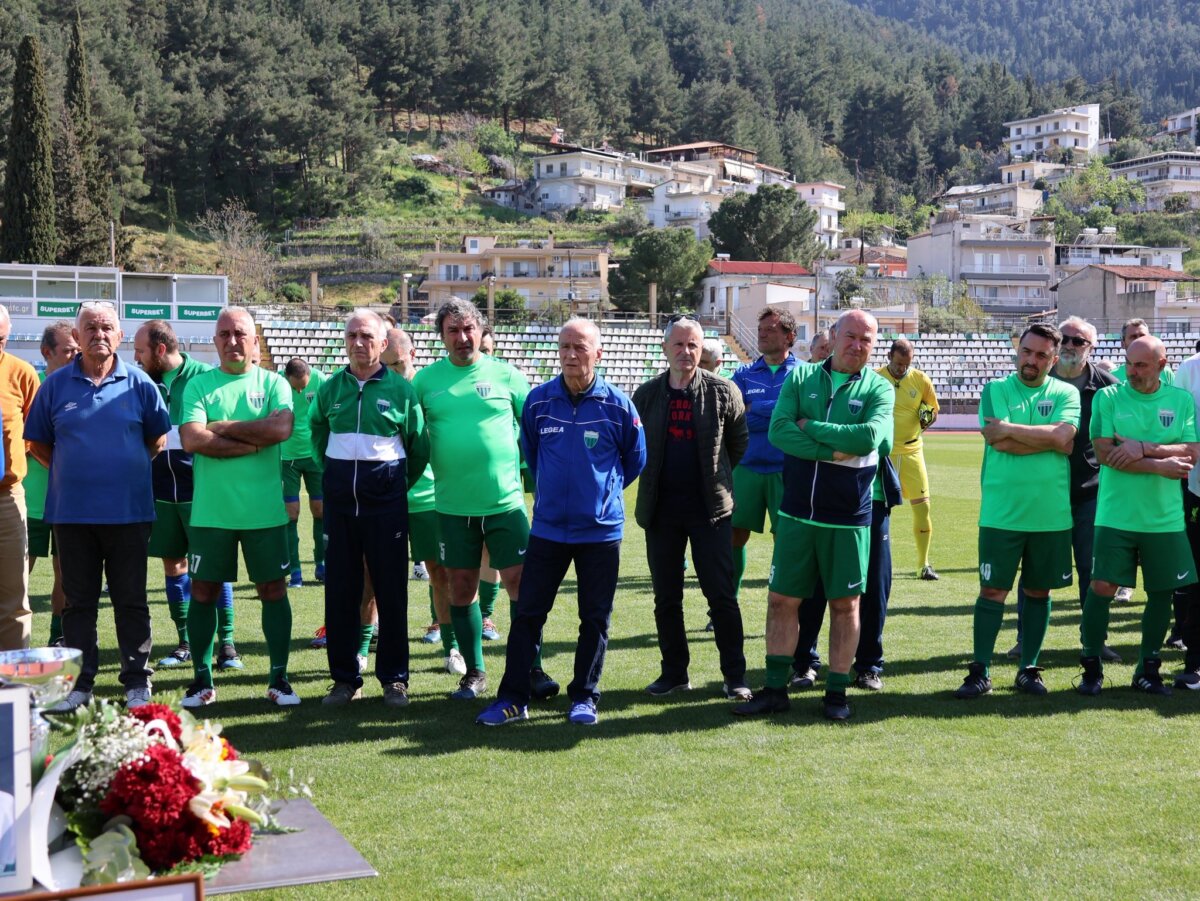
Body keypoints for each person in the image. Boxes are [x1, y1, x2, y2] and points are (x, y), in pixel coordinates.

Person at [476, 318, 646, 726]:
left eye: (580, 347)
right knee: (528, 615)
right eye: (565, 346)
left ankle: (584, 697)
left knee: (595, 618)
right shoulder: (538, 402)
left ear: (598, 354)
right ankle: (513, 699)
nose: (571, 355)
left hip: (600, 532)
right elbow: (532, 455)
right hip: (548, 529)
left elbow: (634, 460)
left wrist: (600, 495)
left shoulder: (619, 406)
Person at [733, 309, 893, 721]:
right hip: (797, 512)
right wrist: (833, 450)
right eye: (850, 336)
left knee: (845, 605)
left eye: (866, 339)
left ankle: (836, 693)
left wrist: (811, 427)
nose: (857, 345)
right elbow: (779, 431)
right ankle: (774, 689)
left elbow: (868, 437)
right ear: (834, 336)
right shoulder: (802, 377)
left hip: (848, 517)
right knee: (781, 600)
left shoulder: (879, 387)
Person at [27, 302, 170, 711]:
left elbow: (157, 441)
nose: (99, 334)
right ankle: (80, 685)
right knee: (77, 603)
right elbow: (38, 444)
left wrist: (118, 471)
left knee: (131, 601)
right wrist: (76, 473)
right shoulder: (54, 386)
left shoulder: (141, 384)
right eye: (90, 327)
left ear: (120, 335)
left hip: (129, 513)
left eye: (107, 327)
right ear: (77, 336)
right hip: (72, 515)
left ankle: (137, 682)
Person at [412, 297, 557, 700]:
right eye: (453, 331)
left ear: (481, 331)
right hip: (451, 507)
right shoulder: (424, 382)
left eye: (468, 329)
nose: (463, 337)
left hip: (505, 504)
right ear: (442, 337)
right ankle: (474, 672)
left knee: (520, 584)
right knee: (461, 587)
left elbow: (536, 431)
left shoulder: (507, 375)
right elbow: (411, 438)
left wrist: (539, 482)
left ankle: (531, 668)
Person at [179, 307, 299, 708]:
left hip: (264, 512)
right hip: (211, 513)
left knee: (273, 589)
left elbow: (281, 428)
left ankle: (279, 679)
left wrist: (222, 427)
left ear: (254, 341)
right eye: (224, 334)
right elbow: (193, 440)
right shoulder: (199, 386)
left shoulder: (274, 383)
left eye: (240, 333)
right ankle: (201, 681)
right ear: (215, 341)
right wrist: (253, 441)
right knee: (203, 591)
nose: (232, 341)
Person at [953, 323, 1080, 699]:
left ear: (1053, 360)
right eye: (1026, 351)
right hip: (1001, 512)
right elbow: (1000, 441)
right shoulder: (995, 389)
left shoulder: (1066, 392)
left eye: (1041, 355)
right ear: (1017, 351)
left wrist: (1015, 430)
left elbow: (1062, 437)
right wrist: (1049, 439)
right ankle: (980, 670)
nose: (1031, 360)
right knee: (992, 590)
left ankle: (1029, 669)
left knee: (1039, 591)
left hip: (1049, 514)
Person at [311, 310, 428, 707]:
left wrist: (391, 486)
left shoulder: (401, 391)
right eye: (352, 336)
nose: (358, 343)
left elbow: (418, 448)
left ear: (383, 343)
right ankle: (344, 680)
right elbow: (317, 431)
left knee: (391, 593)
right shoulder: (330, 388)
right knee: (340, 594)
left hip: (386, 509)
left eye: (366, 336)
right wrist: (336, 476)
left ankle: (394, 680)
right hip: (341, 509)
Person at [633, 316, 749, 700]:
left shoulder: (723, 391)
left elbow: (738, 444)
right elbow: (635, 447)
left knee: (721, 596)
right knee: (667, 598)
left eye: (693, 345)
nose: (686, 352)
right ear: (665, 349)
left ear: (701, 349)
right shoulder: (646, 395)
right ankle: (674, 673)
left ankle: (735, 677)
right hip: (661, 512)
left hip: (710, 512)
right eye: (679, 345)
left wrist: (716, 480)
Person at [1077, 335, 1198, 696]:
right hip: (1116, 515)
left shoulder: (1180, 400)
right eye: (1129, 363)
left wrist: (1142, 448)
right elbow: (1105, 453)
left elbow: (1191, 451)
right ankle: (1091, 666)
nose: (1132, 371)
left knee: (1161, 593)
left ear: (1162, 365)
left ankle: (1147, 668)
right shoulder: (1108, 397)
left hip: (1165, 519)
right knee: (1102, 587)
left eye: (1141, 365)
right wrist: (1160, 465)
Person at [1007, 316, 1120, 664]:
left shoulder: (1109, 388)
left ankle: (1094, 640)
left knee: (1093, 571)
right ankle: (1025, 639)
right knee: (1034, 569)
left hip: (1089, 494)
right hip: (1042, 492)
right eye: (1065, 339)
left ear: (1091, 347)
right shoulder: (1038, 378)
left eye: (1078, 341)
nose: (1070, 345)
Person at [133, 320, 240, 673]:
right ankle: (185, 643)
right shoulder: (142, 381)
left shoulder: (204, 377)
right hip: (160, 490)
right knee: (173, 565)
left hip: (202, 489)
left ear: (160, 350)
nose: (136, 357)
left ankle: (227, 645)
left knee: (214, 567)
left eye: (141, 351)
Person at [790, 431, 902, 693]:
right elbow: (795, 435)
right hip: (819, 498)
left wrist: (821, 432)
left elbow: (880, 442)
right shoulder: (813, 398)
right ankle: (804, 663)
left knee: (874, 584)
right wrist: (850, 439)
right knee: (814, 583)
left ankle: (868, 666)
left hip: (871, 499)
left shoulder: (877, 400)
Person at [382, 327, 465, 676]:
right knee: (377, 577)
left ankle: (452, 647)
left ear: (412, 354)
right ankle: (364, 650)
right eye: (386, 365)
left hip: (429, 498)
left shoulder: (430, 387)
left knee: (440, 574)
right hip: (386, 499)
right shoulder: (377, 389)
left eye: (397, 364)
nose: (392, 371)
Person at [729, 309, 799, 605]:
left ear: (789, 336)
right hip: (746, 468)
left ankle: (784, 606)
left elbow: (801, 416)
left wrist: (754, 408)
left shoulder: (804, 373)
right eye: (760, 329)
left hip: (788, 469)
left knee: (785, 539)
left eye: (770, 329)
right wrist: (781, 411)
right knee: (733, 536)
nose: (762, 334)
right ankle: (726, 605)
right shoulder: (742, 374)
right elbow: (736, 418)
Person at [26, 322, 77, 646]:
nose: (75, 356)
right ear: (47, 352)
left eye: (77, 350)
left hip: (67, 502)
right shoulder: (32, 384)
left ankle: (58, 638)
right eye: (68, 350)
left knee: (66, 573)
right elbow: (26, 441)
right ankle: (12, 640)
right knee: (15, 576)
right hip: (30, 500)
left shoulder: (81, 387)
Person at [876, 337, 940, 580]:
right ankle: (873, 563)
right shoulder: (875, 378)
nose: (903, 368)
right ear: (889, 357)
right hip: (884, 454)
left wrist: (927, 417)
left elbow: (932, 409)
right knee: (876, 510)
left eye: (907, 364)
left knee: (923, 508)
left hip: (912, 452)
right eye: (899, 363)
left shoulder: (921, 379)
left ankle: (924, 565)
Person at [0, 304, 40, 651]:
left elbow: (35, 433)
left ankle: (11, 677)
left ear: (8, 333)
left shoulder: (22, 373)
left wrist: (13, 460)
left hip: (7, 499)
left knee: (14, 597)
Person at [281, 358, 327, 587]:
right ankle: (295, 571)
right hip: (287, 457)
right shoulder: (278, 383)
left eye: (303, 387)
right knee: (291, 514)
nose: (299, 391)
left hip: (315, 456)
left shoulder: (321, 381)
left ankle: (322, 564)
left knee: (320, 510)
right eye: (295, 388)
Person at [1171, 342, 1200, 688]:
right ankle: (1195, 662)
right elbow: (1176, 426)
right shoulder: (1191, 368)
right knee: (1197, 583)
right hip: (1197, 490)